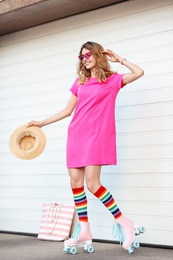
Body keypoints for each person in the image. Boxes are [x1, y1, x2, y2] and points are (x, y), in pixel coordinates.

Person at [27, 41, 144, 253]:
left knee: (93, 184)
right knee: (75, 183)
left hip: (97, 136)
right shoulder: (80, 82)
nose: (85, 58)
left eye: (88, 54)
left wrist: (119, 59)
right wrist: (41, 122)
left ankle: (123, 220)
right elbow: (66, 110)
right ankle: (84, 230)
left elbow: (139, 72)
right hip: (76, 135)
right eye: (82, 56)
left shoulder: (113, 80)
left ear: (99, 54)